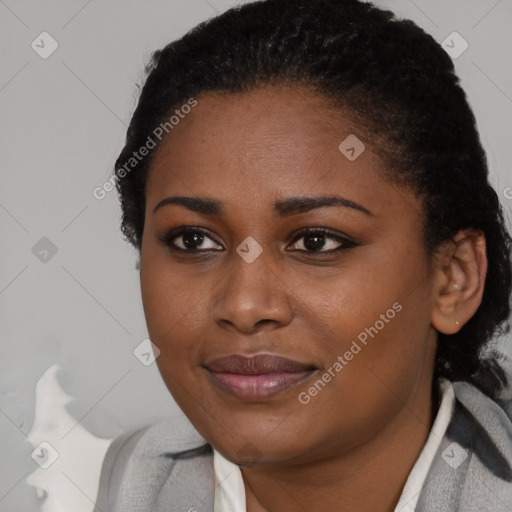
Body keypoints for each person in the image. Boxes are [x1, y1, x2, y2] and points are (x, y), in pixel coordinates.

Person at [94, 0, 512, 510]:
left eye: (317, 241)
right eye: (193, 240)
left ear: (453, 278)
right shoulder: (119, 483)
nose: (244, 306)